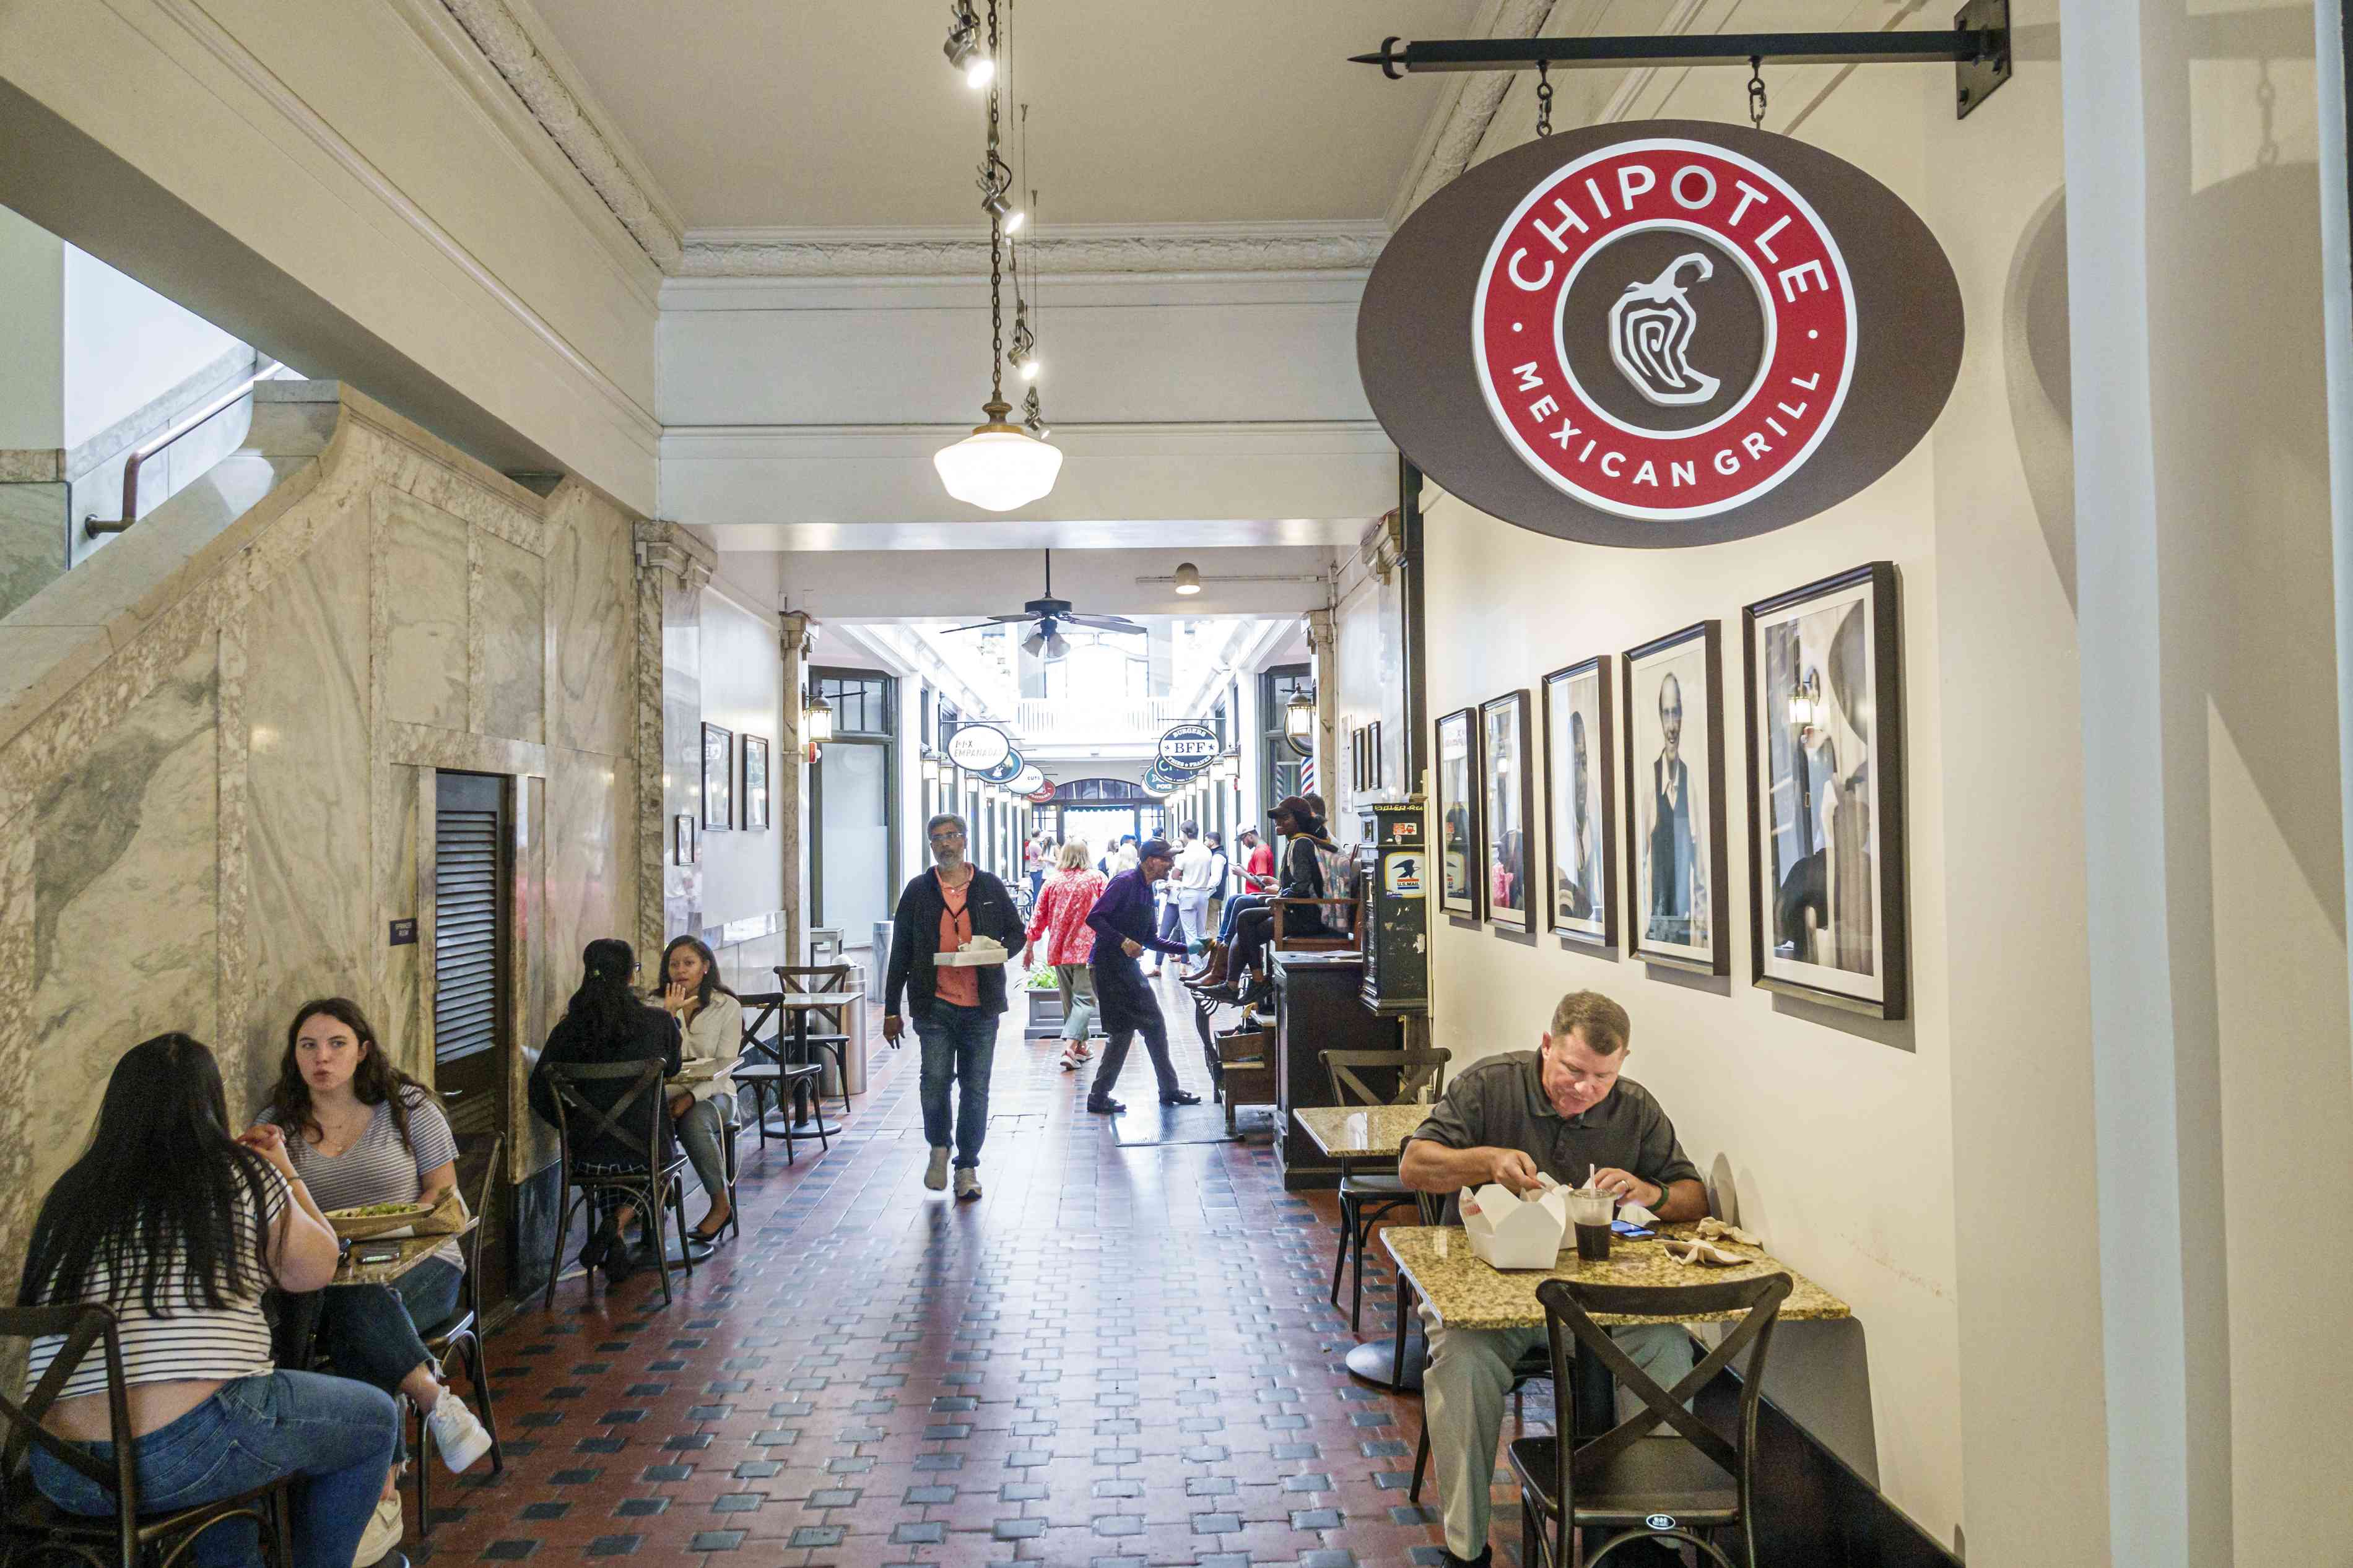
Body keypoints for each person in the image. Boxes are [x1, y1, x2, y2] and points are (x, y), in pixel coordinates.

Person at [19, 1033, 398, 1568]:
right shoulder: (238, 1174)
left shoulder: (70, 1195)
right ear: (210, 1104)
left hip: (62, 1469)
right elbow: (318, 1267)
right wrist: (283, 1169)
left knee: (233, 1450)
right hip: (184, 1452)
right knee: (375, 1419)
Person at [1398, 992, 1705, 1568]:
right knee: (1462, 1361)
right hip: (1487, 1304)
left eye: (1602, 1076)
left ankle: (1652, 1539)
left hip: (1592, 1308)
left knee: (1663, 1341)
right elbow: (1414, 1164)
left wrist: (1649, 1193)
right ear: (1547, 1045)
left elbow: (1692, 1194)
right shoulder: (1490, 1085)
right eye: (1572, 1070)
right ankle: (1467, 1548)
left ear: (1623, 1063)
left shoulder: (1635, 1109)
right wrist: (1486, 1161)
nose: (1585, 1088)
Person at [251, 999, 494, 1483]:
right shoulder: (278, 1126)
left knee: (356, 1308)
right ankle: (434, 1398)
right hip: (330, 1275)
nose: (322, 1057)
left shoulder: (408, 1107)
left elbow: (443, 1199)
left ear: (362, 1051)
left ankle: (380, 1475)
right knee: (352, 1306)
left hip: (424, 1263)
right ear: (294, 1056)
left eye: (336, 1044)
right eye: (309, 1046)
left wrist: (389, 1232)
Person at [882, 813, 1027, 1201]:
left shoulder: (990, 886)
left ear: (965, 840)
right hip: (934, 1006)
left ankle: (966, 1167)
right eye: (938, 839)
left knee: (976, 1088)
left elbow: (1017, 934)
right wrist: (891, 1009)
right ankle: (939, 1148)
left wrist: (997, 954)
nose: (946, 844)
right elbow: (901, 952)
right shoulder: (917, 891)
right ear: (931, 846)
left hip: (982, 1007)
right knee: (934, 1082)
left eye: (952, 836)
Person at [529, 938, 684, 1285]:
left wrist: (572, 1126)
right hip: (647, 1152)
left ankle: (613, 1240)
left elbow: (538, 1090)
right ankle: (613, 1227)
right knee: (659, 1160)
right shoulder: (658, 1023)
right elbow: (672, 1069)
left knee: (615, 1153)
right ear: (631, 976)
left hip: (587, 1156)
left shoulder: (568, 1030)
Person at [1082, 837, 1200, 1115]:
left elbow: (1150, 939)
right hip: (1107, 968)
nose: (1171, 864)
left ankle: (1167, 1089)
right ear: (1150, 862)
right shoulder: (1124, 883)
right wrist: (1123, 941)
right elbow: (1094, 918)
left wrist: (1187, 948)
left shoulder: (1148, 890)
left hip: (1127, 969)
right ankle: (1099, 1096)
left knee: (1154, 1026)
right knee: (1123, 1034)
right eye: (1167, 859)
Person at [1196, 796, 1339, 1007]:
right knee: (1244, 919)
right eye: (1276, 819)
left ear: (1299, 819)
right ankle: (1244, 982)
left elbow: (1302, 888)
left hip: (1308, 916)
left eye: (1285, 818)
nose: (1278, 823)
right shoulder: (1298, 842)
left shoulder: (1301, 844)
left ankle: (1248, 982)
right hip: (1298, 910)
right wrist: (1281, 891)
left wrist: (1280, 896)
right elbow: (1301, 883)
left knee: (1246, 922)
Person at [654, 935, 744, 1242]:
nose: (681, 971)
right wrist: (668, 1014)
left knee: (694, 1122)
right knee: (643, 1120)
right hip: (666, 1093)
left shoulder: (726, 1005)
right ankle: (652, 1202)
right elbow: (654, 1058)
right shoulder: (654, 1006)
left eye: (689, 963)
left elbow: (726, 1068)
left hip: (715, 1094)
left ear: (705, 967)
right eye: (674, 964)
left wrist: (691, 1098)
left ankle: (721, 1205)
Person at [1023, 838, 1107, 1072]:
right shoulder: (1097, 878)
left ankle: (1082, 1047)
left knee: (1070, 1003)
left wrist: (1030, 947)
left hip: (1059, 950)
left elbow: (1038, 916)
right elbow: (1110, 910)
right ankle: (1070, 1048)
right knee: (1085, 1001)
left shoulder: (1052, 882)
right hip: (1088, 950)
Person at [1640, 672, 1708, 948]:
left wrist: (1703, 934)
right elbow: (1639, 864)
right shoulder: (1650, 782)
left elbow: (1701, 869)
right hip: (1656, 929)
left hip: (1684, 929)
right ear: (1660, 718)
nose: (1672, 726)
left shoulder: (1691, 782)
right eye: (1666, 714)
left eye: (1676, 713)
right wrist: (1643, 923)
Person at [1173, 824, 1216, 951]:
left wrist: (1184, 877)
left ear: (1185, 833)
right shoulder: (1207, 851)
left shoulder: (1184, 852)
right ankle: (1205, 965)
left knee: (1191, 935)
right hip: (1203, 893)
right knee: (1202, 933)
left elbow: (1175, 875)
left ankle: (1197, 968)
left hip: (1188, 893)